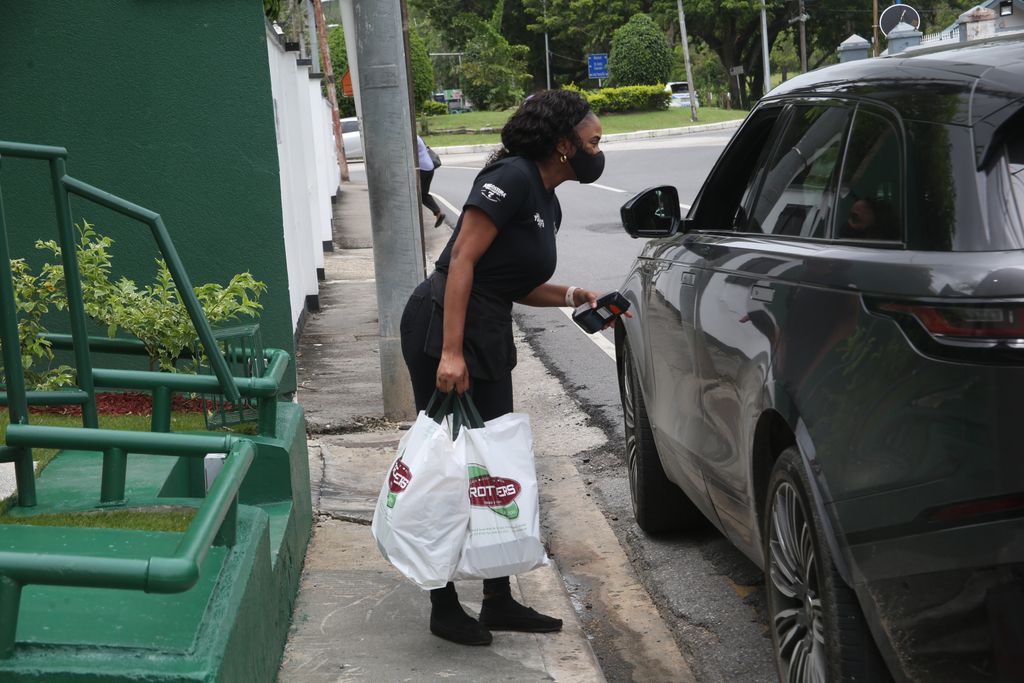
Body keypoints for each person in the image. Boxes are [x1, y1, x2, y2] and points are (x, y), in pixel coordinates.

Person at [400, 89, 617, 646]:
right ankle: (442, 602)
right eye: (594, 142)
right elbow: (462, 261)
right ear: (564, 144)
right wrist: (451, 352)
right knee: (448, 466)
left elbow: (510, 281)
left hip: (487, 329)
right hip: (443, 325)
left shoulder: (548, 199)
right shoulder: (512, 177)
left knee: (493, 465)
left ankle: (497, 598)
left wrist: (570, 294)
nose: (599, 151)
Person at [417, 135, 445, 227]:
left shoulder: (412, 138)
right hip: (429, 168)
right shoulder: (417, 136)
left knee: (419, 194)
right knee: (423, 194)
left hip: (422, 169)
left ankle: (436, 212)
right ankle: (438, 213)